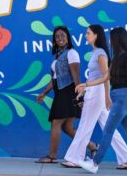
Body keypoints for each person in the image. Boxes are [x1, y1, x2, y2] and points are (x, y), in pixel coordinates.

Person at [78, 27, 127, 175]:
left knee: (108, 130)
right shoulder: (116, 58)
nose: (109, 40)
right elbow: (105, 78)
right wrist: (86, 85)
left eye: (111, 38)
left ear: (117, 39)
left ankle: (95, 164)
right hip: (119, 98)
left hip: (124, 97)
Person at [63, 25, 127, 169]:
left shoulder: (100, 53)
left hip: (97, 92)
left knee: (85, 124)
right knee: (108, 126)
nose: (86, 35)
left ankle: (74, 158)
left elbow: (106, 77)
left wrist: (107, 96)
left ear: (96, 35)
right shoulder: (96, 52)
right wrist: (86, 89)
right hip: (95, 91)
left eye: (88, 33)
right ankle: (126, 156)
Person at [34, 25, 88, 163]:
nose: (60, 39)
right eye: (57, 37)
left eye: (62, 36)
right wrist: (44, 93)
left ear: (68, 37)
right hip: (60, 92)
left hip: (68, 92)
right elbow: (54, 79)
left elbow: (76, 76)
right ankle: (94, 146)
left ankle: (52, 156)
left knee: (56, 122)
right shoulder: (58, 56)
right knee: (67, 128)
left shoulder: (71, 53)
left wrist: (79, 96)